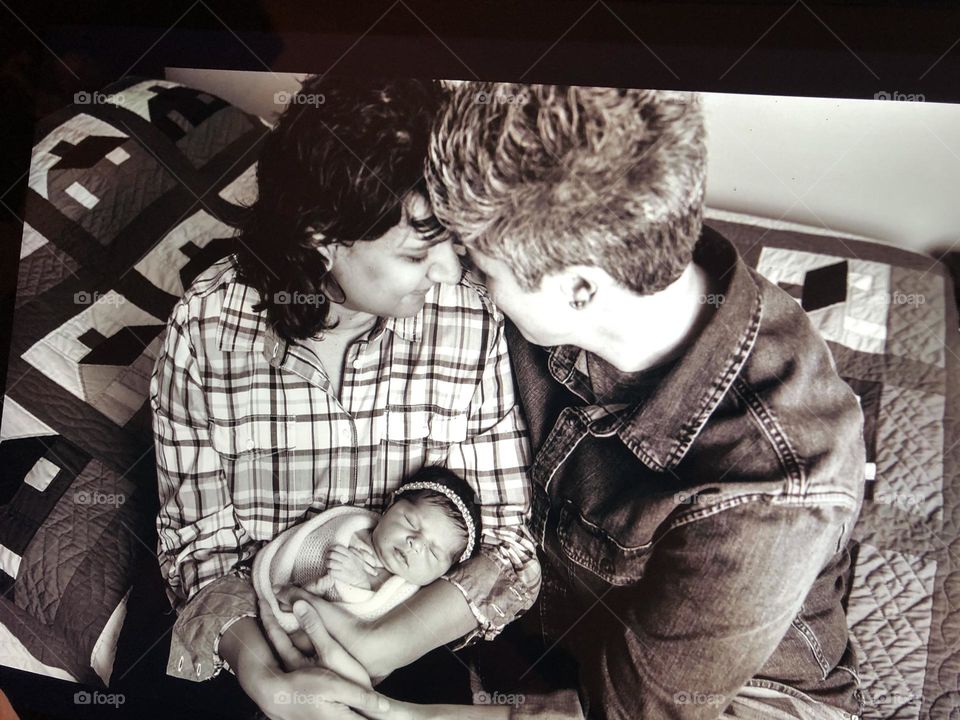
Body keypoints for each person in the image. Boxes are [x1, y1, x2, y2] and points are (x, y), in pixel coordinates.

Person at [344, 83, 864, 719]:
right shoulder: (589, 261)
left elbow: (628, 714)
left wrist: (394, 715)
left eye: (481, 266)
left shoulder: (774, 484)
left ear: (580, 290)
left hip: (741, 700)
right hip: (557, 634)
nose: (453, 274)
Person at [149, 76, 540, 719]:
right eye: (419, 254)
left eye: (455, 242)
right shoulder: (208, 328)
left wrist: (377, 652)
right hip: (258, 634)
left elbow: (506, 541)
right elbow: (199, 547)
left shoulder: (467, 318)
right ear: (322, 237)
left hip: (410, 637)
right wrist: (270, 683)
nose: (449, 272)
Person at [254, 466, 482, 631]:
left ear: (444, 573)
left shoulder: (409, 596)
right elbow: (307, 543)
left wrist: (359, 586)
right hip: (277, 600)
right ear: (391, 504)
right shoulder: (349, 523)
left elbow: (372, 624)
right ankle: (296, 597)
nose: (416, 544)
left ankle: (305, 599)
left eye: (433, 553)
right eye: (411, 523)